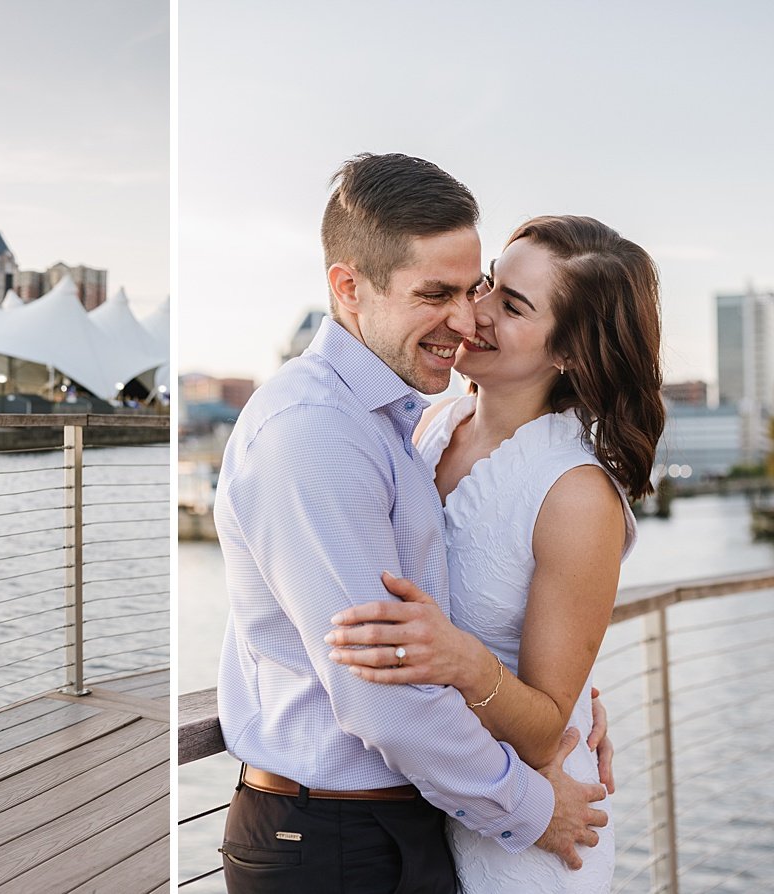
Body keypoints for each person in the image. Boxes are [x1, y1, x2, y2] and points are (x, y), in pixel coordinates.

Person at [214, 154, 609, 894]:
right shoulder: (317, 433)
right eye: (437, 294)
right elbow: (382, 699)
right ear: (348, 287)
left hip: (404, 825)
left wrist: (567, 710)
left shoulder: (405, 423)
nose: (466, 320)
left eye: (476, 289)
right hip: (333, 838)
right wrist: (534, 806)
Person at [326, 215, 664, 892]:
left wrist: (463, 660)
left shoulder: (575, 494)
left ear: (570, 352)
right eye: (487, 285)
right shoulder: (426, 426)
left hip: (535, 841)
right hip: (425, 815)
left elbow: (544, 731)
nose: (471, 312)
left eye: (510, 306)